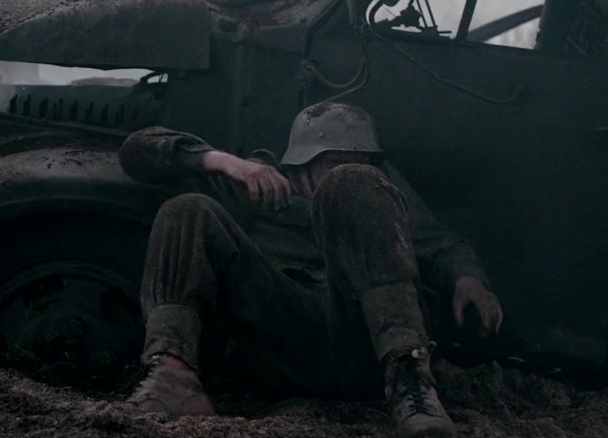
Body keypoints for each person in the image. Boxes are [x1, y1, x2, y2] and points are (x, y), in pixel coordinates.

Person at [119, 102, 503, 438]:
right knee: (186, 209)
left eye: (363, 161)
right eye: (335, 161)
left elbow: (440, 243)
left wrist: (468, 278)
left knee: (353, 185)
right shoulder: (258, 183)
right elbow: (136, 151)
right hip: (288, 345)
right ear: (300, 166)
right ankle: (173, 377)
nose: (351, 168)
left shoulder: (371, 185)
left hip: (366, 348)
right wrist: (226, 162)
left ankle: (410, 380)